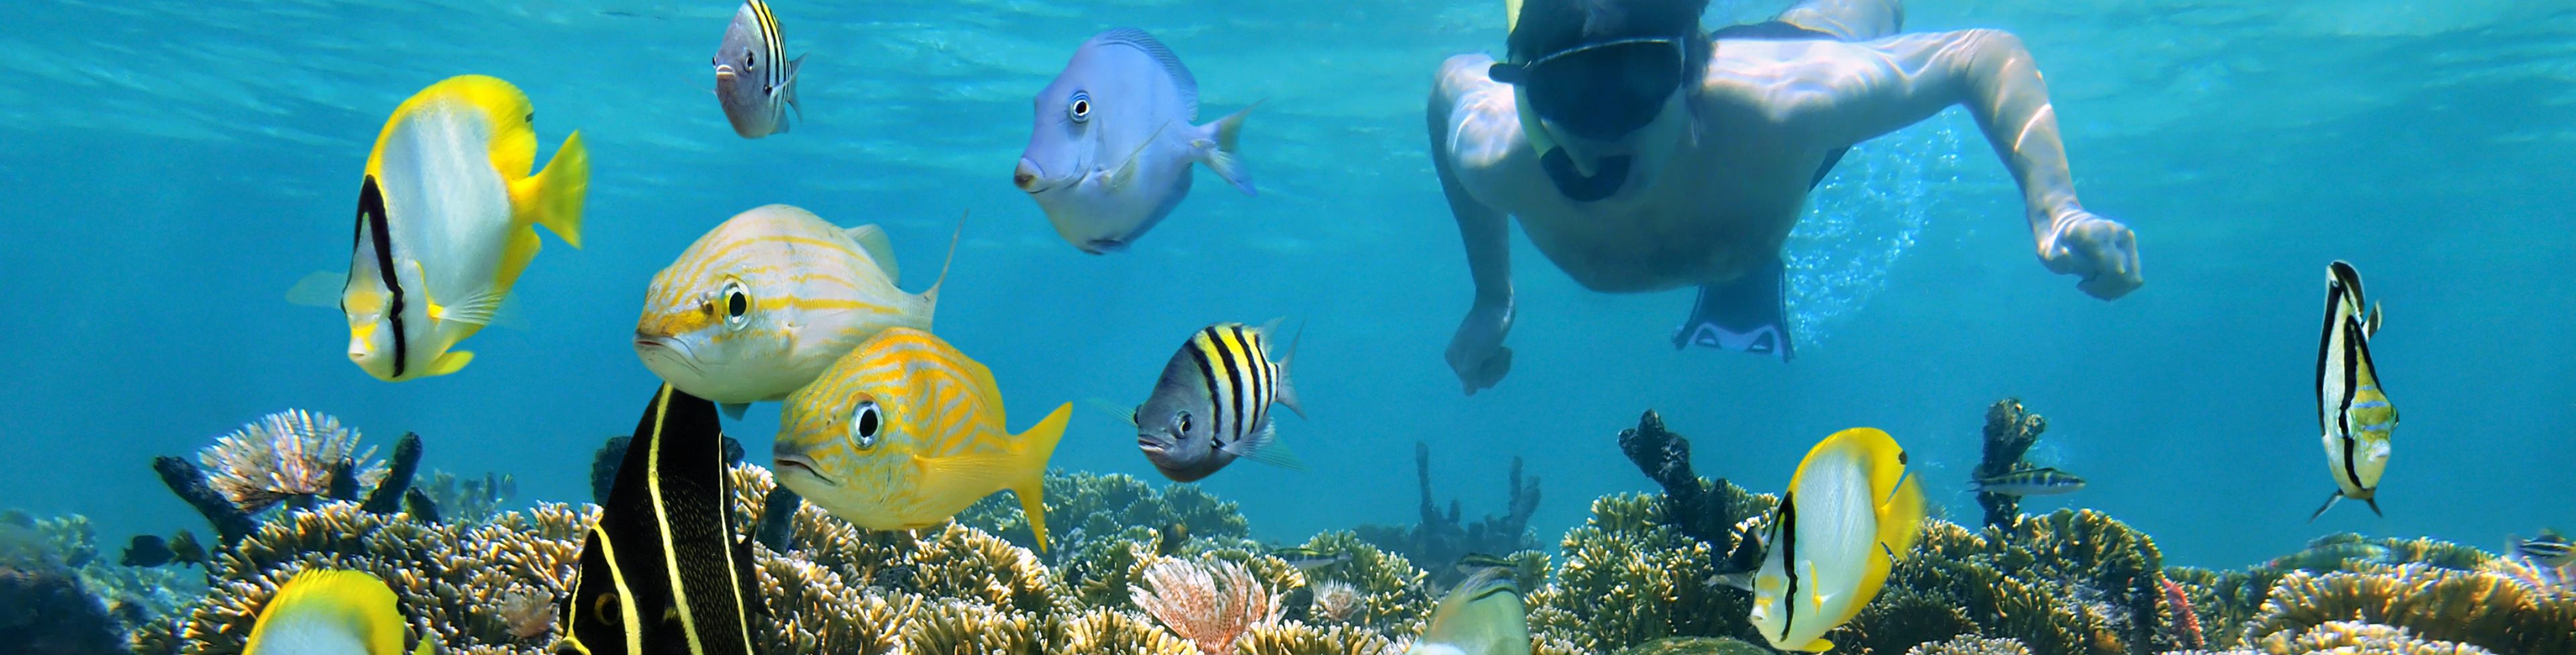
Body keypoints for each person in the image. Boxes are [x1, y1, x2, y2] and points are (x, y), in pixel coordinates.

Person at [1428, 0, 2143, 394]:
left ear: (1688, 70)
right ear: (1526, 96)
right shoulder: (1496, 155)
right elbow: (1447, 88)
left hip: (1775, 124)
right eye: (1568, 95)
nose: (1607, 128)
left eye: (1639, 83)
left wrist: (2056, 207)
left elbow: (1980, 52)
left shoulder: (1789, 103)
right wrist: (1494, 295)